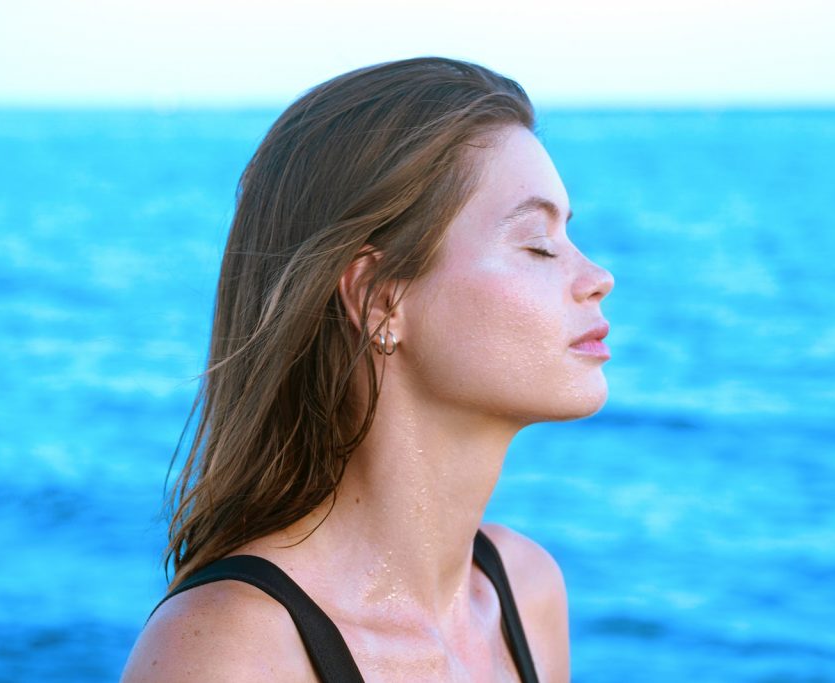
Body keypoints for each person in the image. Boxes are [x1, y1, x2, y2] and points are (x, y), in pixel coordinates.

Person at [120, 55, 613, 682]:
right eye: (537, 245)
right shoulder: (231, 651)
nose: (597, 278)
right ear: (381, 299)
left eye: (568, 237)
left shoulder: (526, 588)